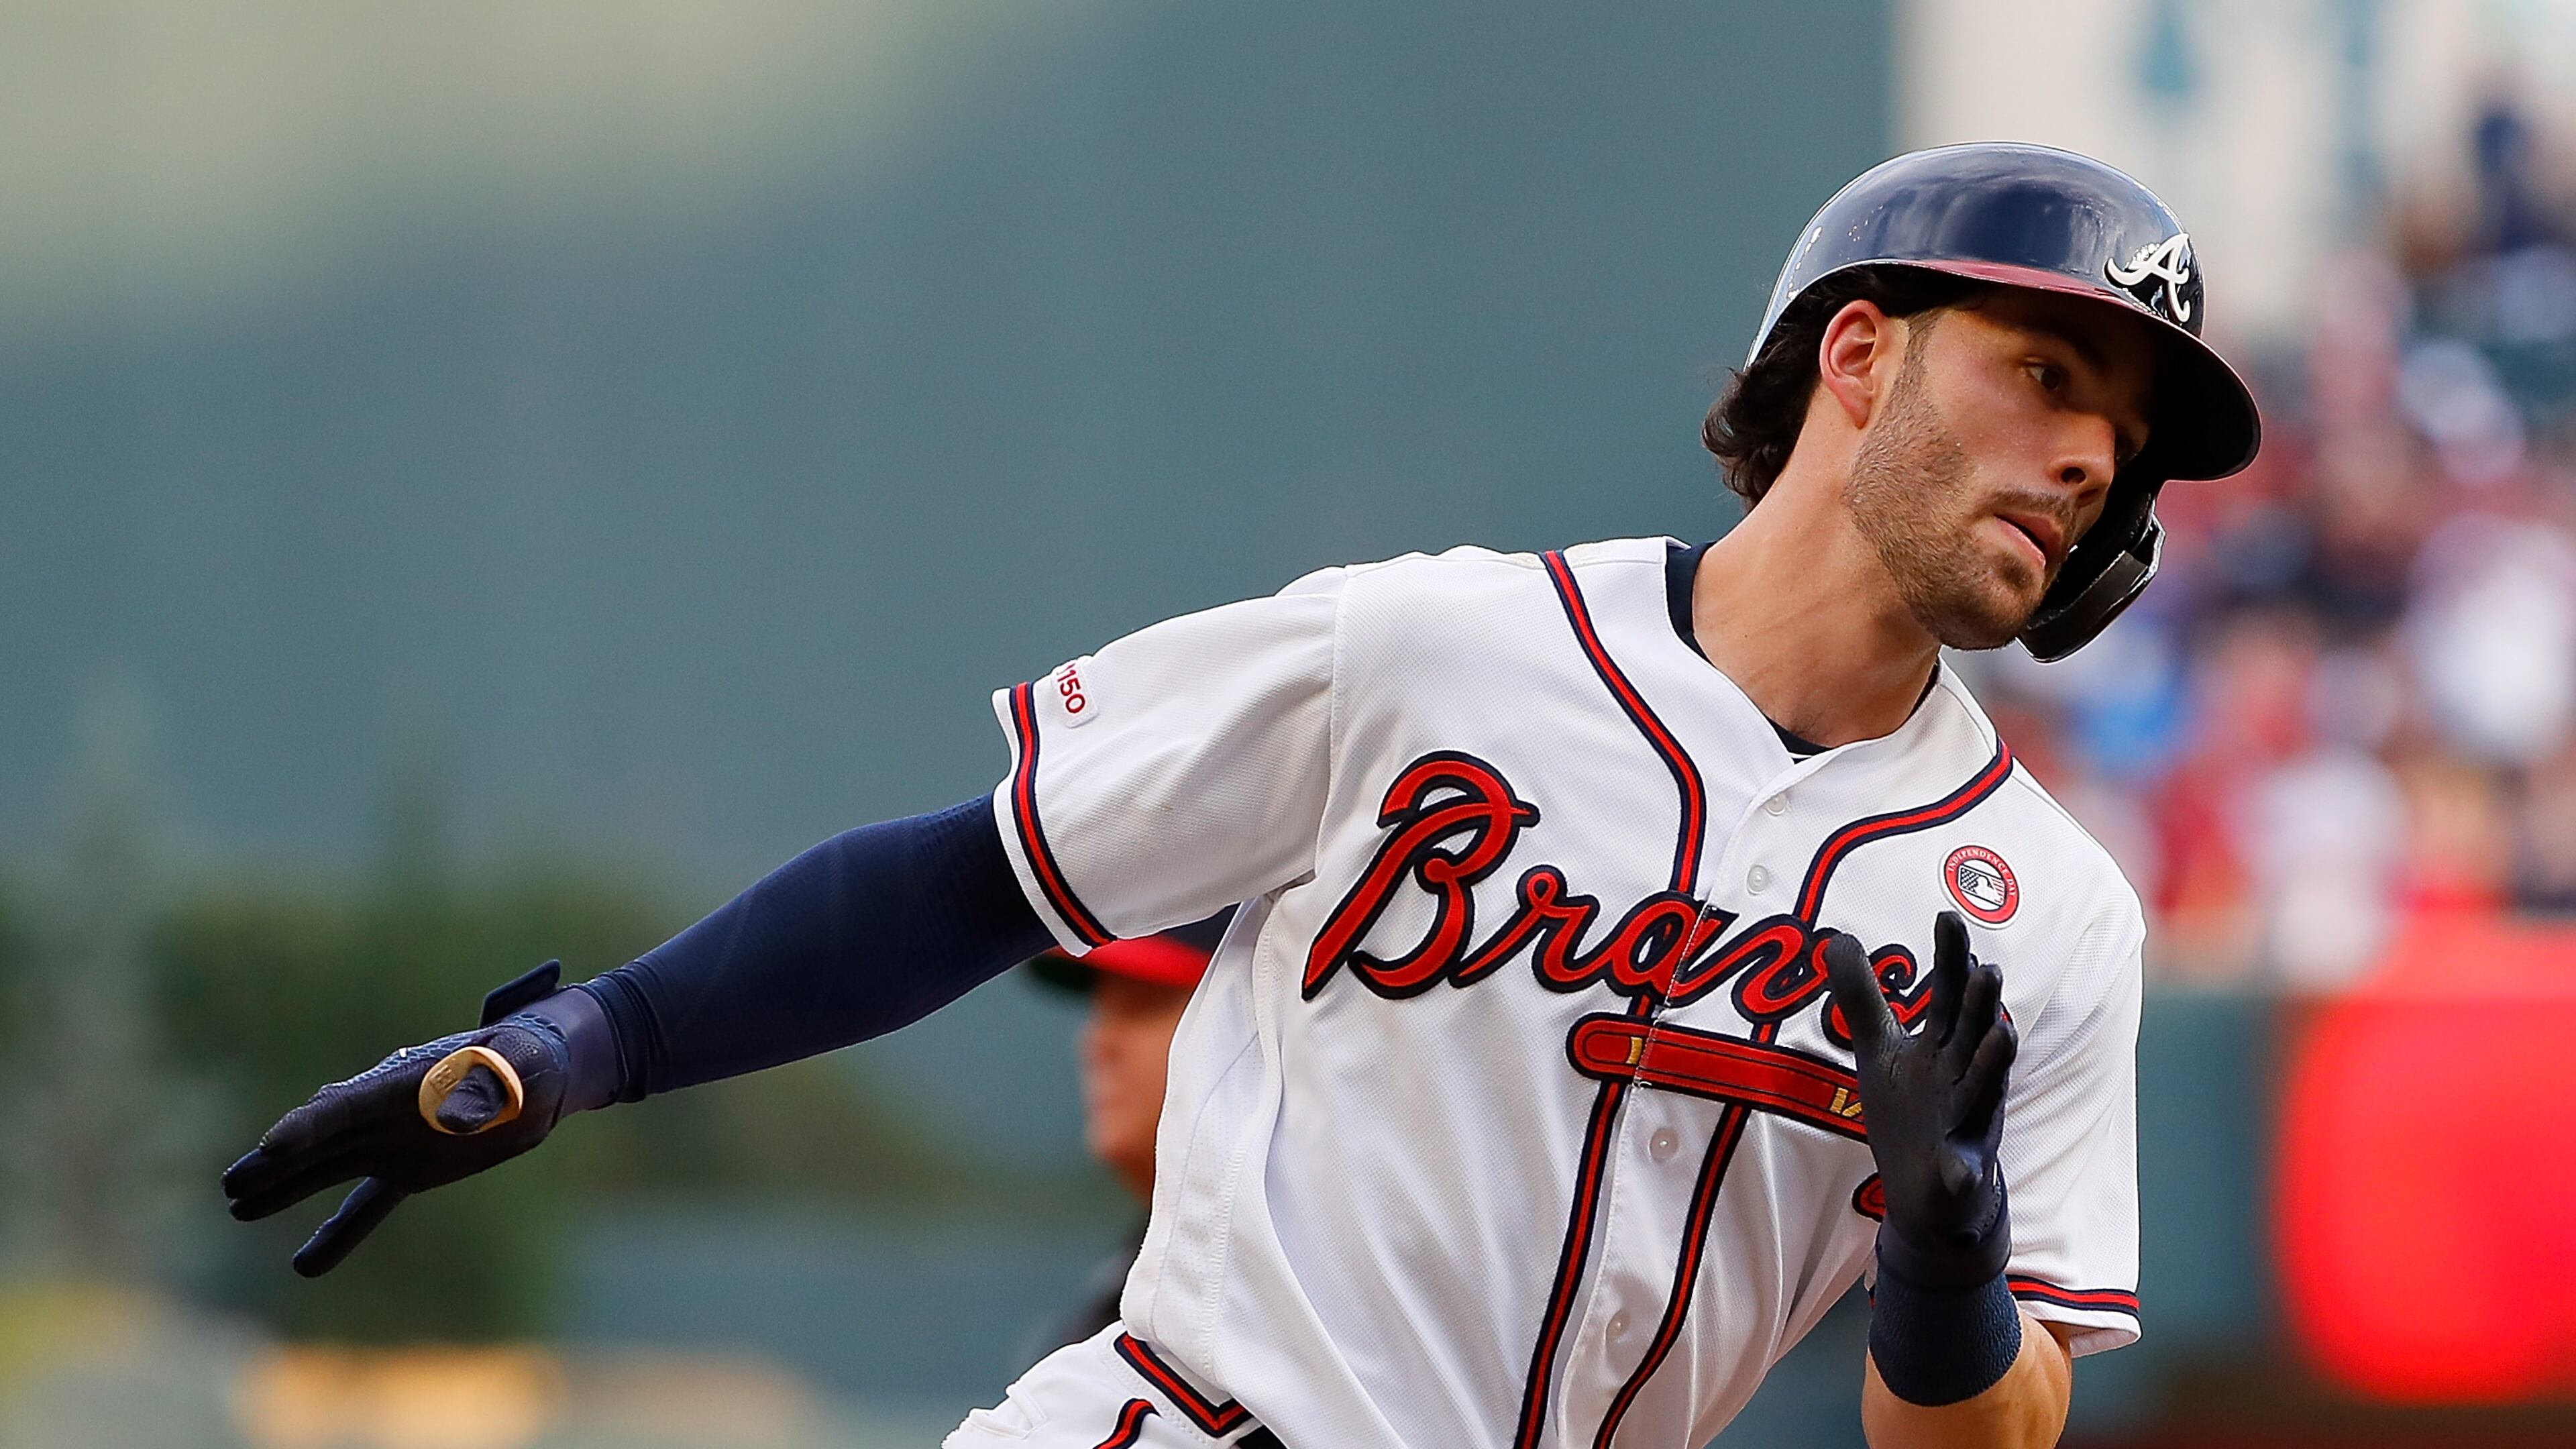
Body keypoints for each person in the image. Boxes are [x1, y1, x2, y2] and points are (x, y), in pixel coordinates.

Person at [222, 144, 2259, 1449]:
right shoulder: (1436, 654)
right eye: (2046, 372)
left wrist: (1940, 1249)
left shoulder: (2041, 918)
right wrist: (578, 1048)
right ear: (1854, 359)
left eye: (2129, 427)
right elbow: (979, 879)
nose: (2092, 453)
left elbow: (1986, 1439)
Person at [1024, 910, 1234, 1355]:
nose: (1098, 1043)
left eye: (1141, 1005)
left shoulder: (1292, 1286)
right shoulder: (1144, 1268)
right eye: (1102, 1009)